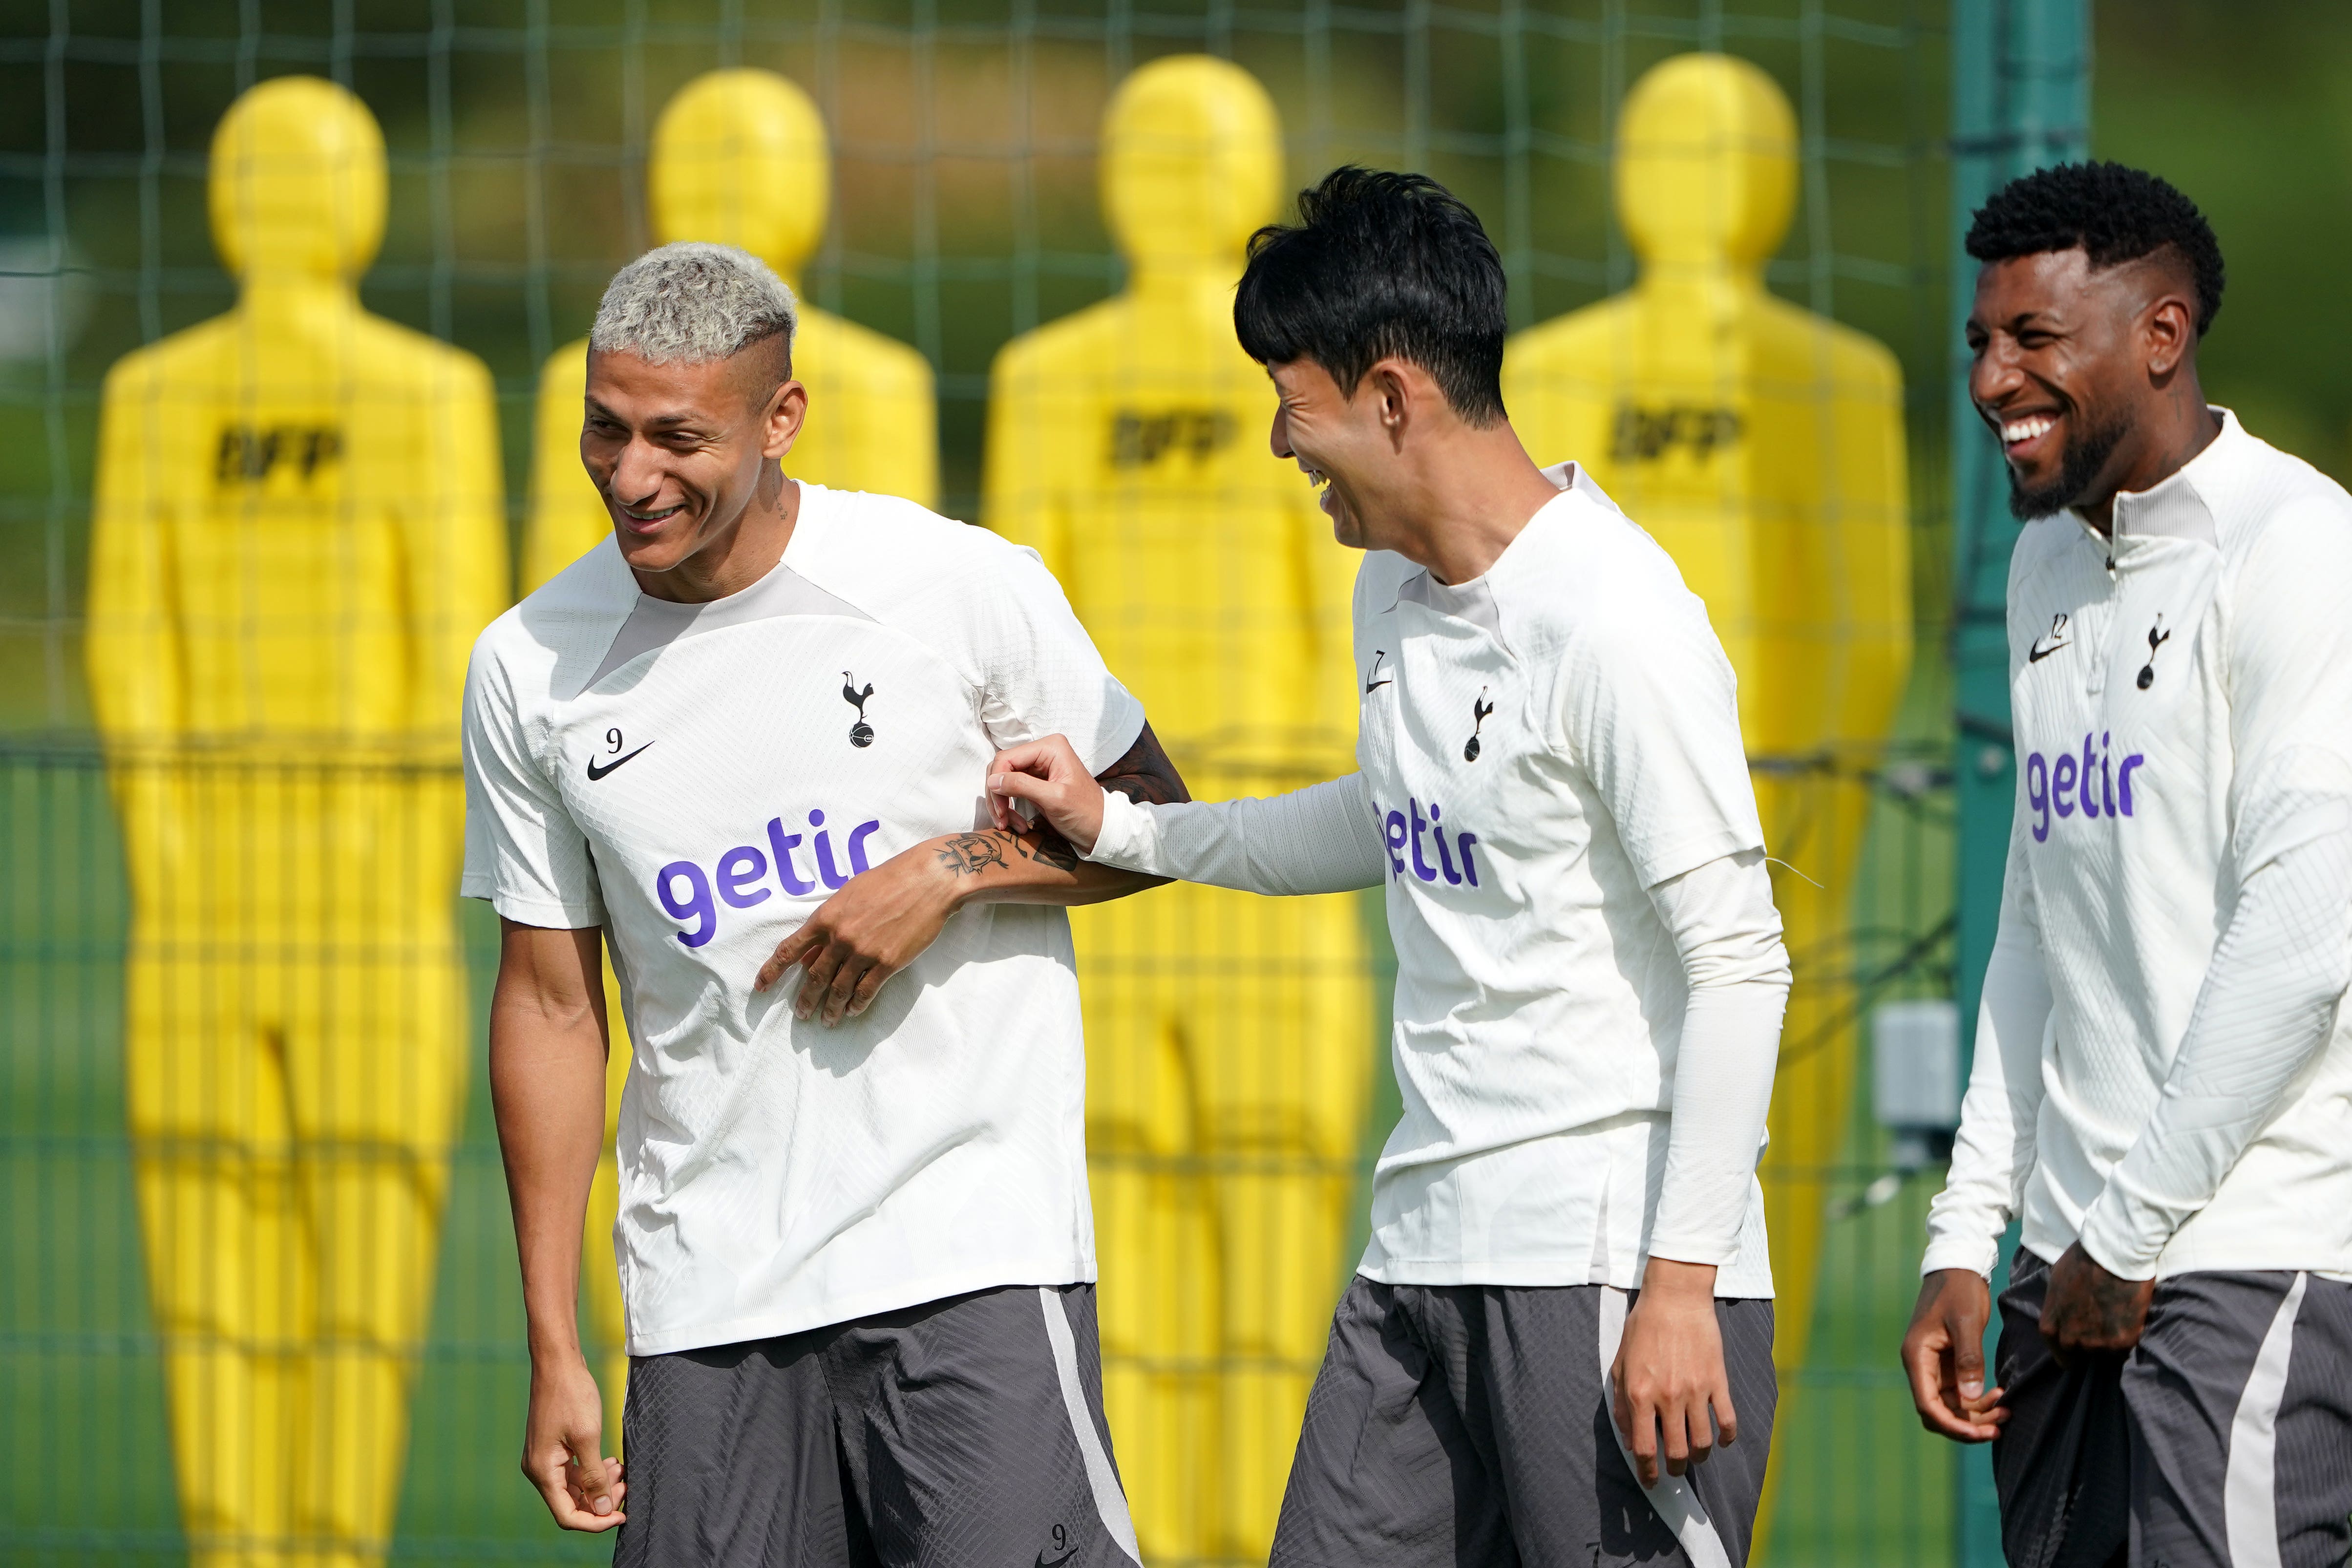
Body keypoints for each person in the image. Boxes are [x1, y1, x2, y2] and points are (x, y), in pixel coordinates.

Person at [986, 167, 1793, 1568]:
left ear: (1395, 398)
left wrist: (1682, 1286)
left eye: (1293, 403)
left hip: (1603, 1270)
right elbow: (1393, 816)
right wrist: (1124, 832)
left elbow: (1741, 961)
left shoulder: (1615, 620)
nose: (1281, 443)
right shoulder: (1395, 592)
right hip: (1419, 1246)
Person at [462, 241, 1186, 1567]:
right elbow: (554, 1006)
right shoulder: (526, 668)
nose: (632, 476)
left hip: (966, 1254)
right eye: (604, 430)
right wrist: (555, 1342)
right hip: (704, 1299)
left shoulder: (958, 587)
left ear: (780, 417)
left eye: (678, 437)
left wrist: (950, 874)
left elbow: (1154, 820)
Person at [1902, 161, 2352, 1568]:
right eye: (1982, 340)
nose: (1993, 378)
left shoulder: (2298, 551)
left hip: (2241, 1250)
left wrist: (2132, 1229)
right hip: (2073, 1274)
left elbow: (2304, 936)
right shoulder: (2048, 564)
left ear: (2161, 334)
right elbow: (2041, 918)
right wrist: (1970, 1234)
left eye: (2036, 339)